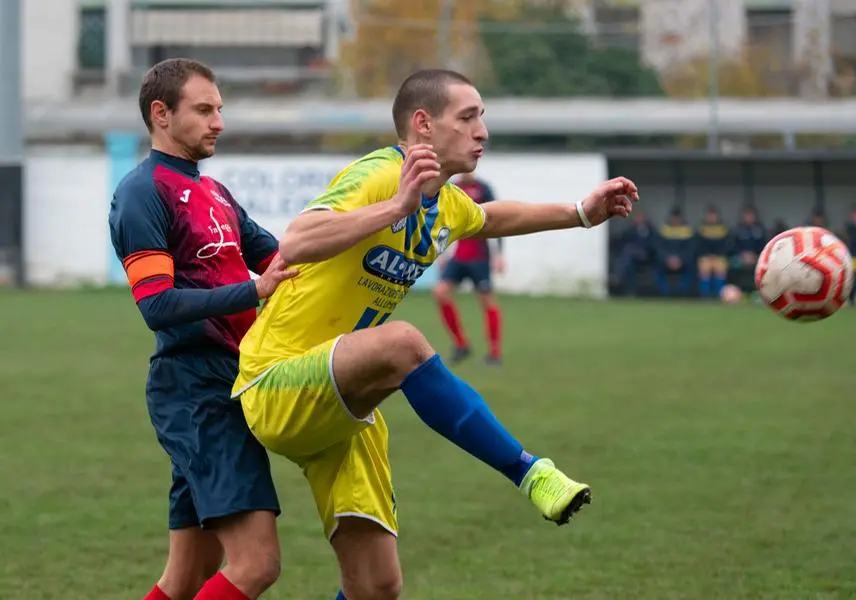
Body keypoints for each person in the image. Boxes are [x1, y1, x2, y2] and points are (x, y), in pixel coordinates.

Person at [230, 68, 638, 600]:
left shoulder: (447, 202)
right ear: (423, 125)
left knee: (376, 587)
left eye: (482, 118)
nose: (482, 132)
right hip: (275, 381)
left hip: (344, 407)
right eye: (468, 118)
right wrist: (395, 206)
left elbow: (489, 218)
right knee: (403, 343)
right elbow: (300, 239)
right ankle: (530, 472)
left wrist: (580, 212)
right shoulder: (383, 173)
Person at [108, 58, 295, 600]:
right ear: (160, 114)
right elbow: (157, 305)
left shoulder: (215, 194)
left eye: (220, 110)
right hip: (195, 391)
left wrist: (373, 227)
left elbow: (286, 259)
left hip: (232, 382)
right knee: (257, 563)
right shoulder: (143, 192)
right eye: (204, 109)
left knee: (187, 577)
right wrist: (254, 291)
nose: (218, 122)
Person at [432, 171, 504, 364]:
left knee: (487, 301)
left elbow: (499, 219)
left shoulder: (483, 188)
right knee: (440, 293)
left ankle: (494, 353)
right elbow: (442, 220)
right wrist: (442, 251)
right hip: (459, 256)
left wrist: (499, 255)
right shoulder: (451, 188)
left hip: (480, 256)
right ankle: (461, 345)